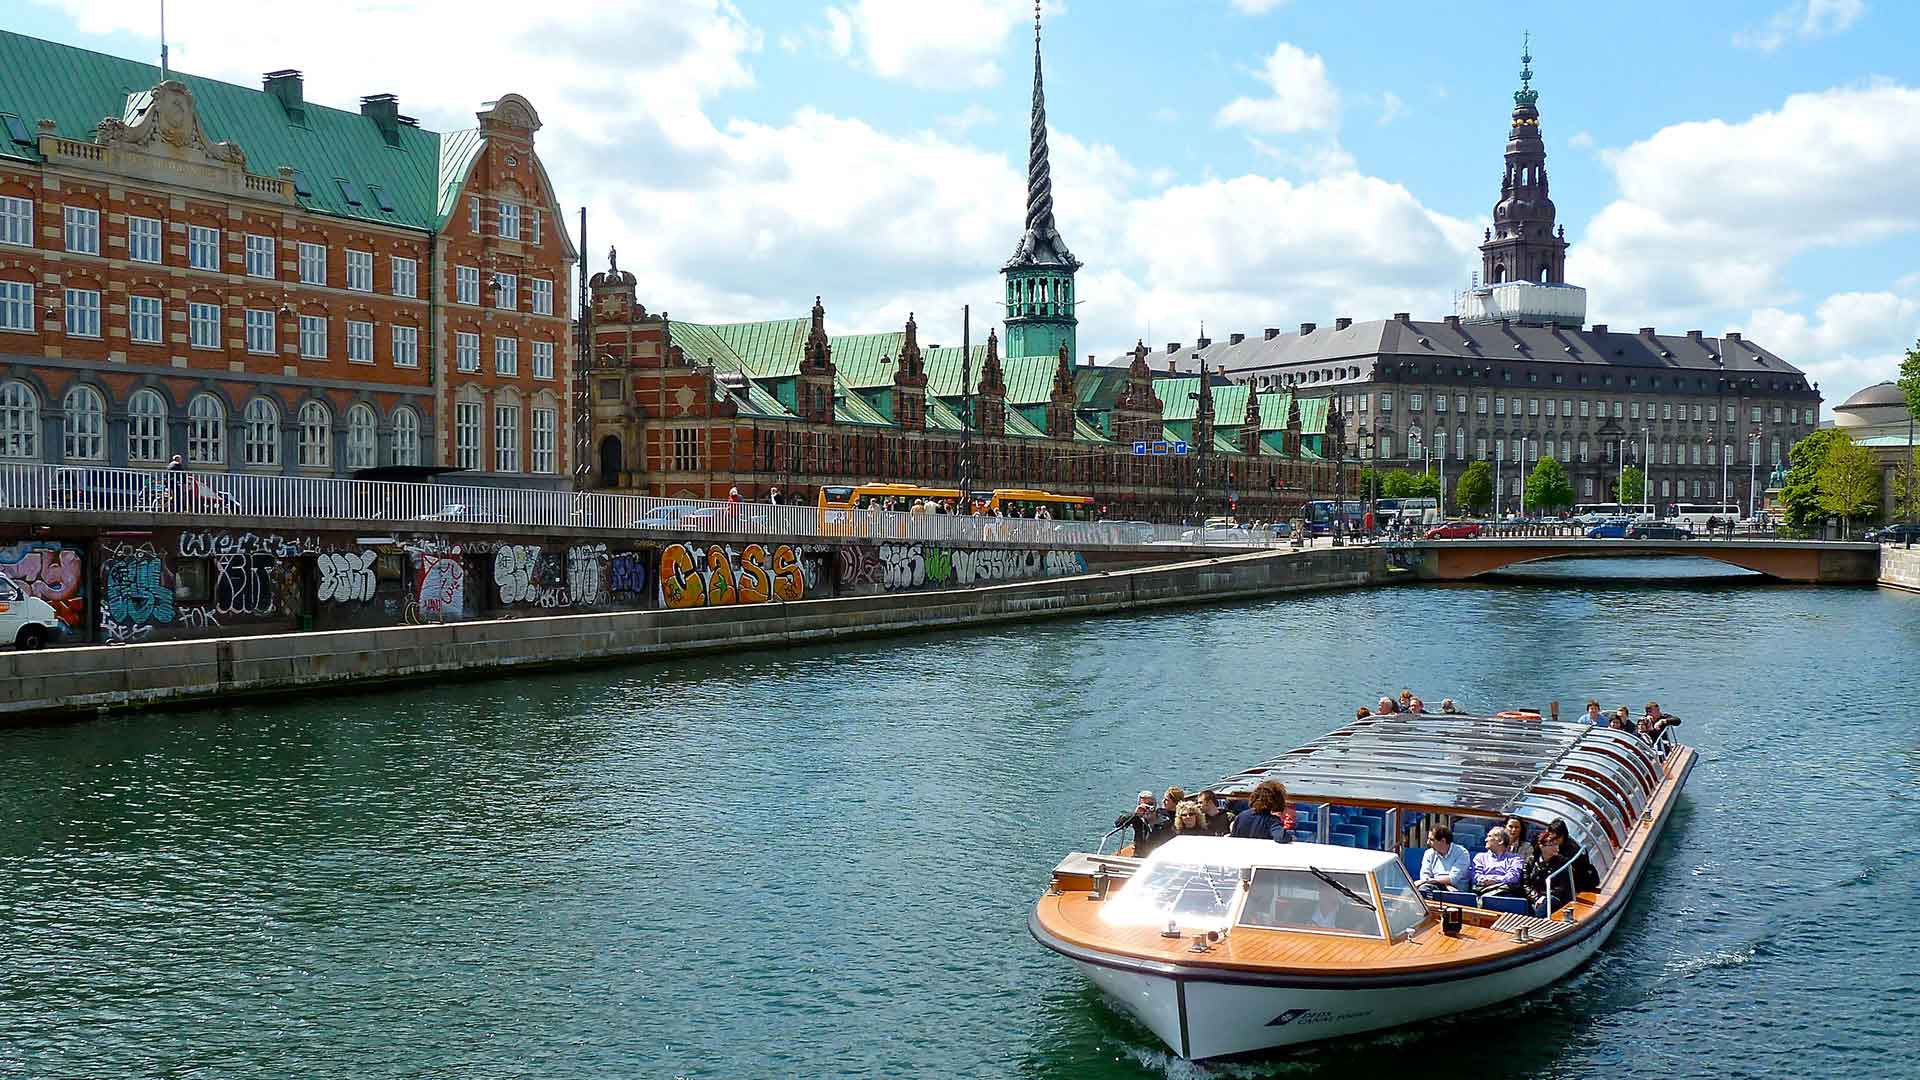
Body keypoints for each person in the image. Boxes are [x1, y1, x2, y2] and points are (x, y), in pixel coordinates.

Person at [1521, 828, 1571, 914]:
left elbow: (1562, 887)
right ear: (1542, 846)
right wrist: (1536, 898)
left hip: (1554, 898)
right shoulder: (1530, 861)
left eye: (1557, 844)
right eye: (1552, 845)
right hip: (1534, 898)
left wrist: (1545, 896)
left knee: (1544, 904)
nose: (1556, 847)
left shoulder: (1563, 862)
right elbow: (1526, 884)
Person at [1229, 779, 1294, 844]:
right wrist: (1291, 837)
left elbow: (1233, 836)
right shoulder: (1272, 821)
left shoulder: (1242, 816)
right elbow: (1281, 837)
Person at [1115, 790, 1172, 856]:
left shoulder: (1165, 820)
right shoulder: (1137, 819)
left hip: (1158, 856)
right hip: (1139, 855)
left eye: (1150, 804)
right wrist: (1135, 813)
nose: (1148, 808)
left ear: (1155, 804)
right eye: (1144, 805)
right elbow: (1118, 824)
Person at [1470, 827, 1525, 896]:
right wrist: (1495, 880)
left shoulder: (1516, 859)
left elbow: (1513, 877)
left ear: (1500, 841)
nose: (1485, 839)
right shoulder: (1480, 857)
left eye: (1489, 836)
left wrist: (1494, 880)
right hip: (1482, 890)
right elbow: (1476, 876)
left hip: (1505, 893)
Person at [1417, 825, 1471, 893]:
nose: (1428, 843)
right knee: (1423, 890)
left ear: (1443, 841)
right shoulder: (1429, 853)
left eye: (1431, 840)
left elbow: (1453, 879)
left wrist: (1428, 880)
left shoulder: (1462, 853)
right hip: (1434, 887)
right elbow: (1424, 875)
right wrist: (1445, 885)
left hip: (1456, 890)